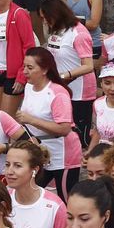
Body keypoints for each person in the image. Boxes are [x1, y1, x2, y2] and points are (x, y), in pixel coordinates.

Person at [17, 46, 83, 194]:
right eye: (24, 67)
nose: (25, 71)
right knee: (30, 193)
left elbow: (65, 129)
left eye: (30, 67)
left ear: (45, 69)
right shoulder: (29, 87)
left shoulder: (57, 93)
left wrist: (31, 120)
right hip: (40, 153)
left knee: (66, 199)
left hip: (63, 156)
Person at [40, 0, 97, 145]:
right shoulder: (56, 31)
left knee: (79, 137)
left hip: (80, 92)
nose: (44, 21)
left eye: (46, 17)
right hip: (61, 88)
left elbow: (89, 65)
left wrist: (65, 75)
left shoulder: (79, 33)